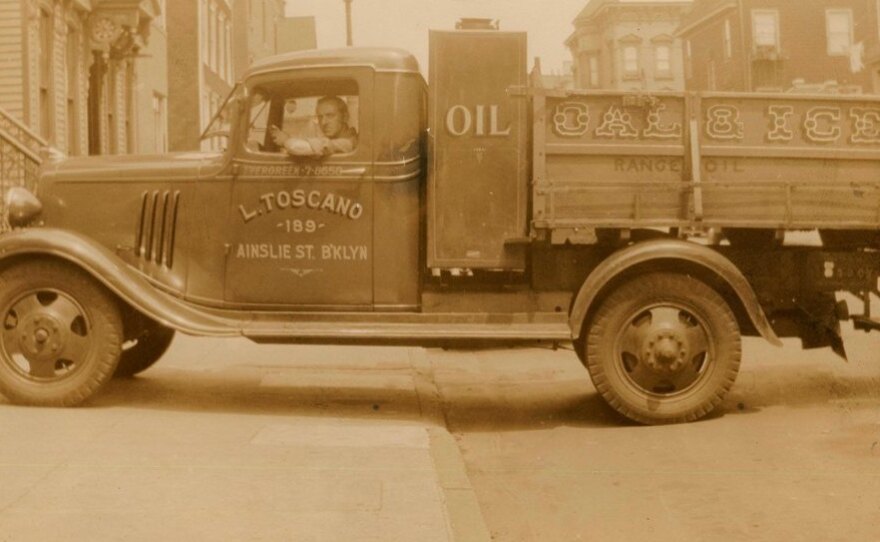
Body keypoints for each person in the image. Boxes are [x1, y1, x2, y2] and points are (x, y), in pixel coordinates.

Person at [270, 96, 358, 157]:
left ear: (345, 117)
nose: (323, 122)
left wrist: (285, 140)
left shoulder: (349, 142)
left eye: (330, 116)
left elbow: (298, 148)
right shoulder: (337, 138)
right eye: (320, 117)